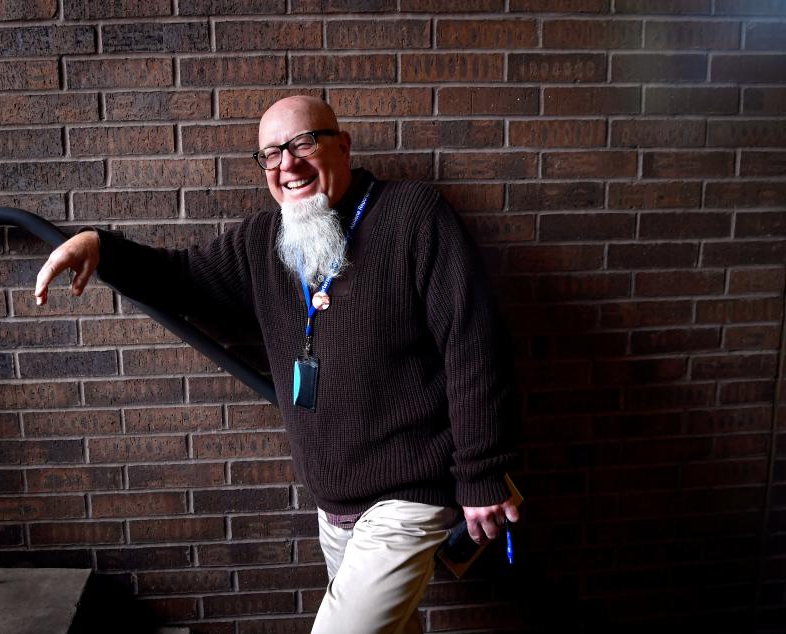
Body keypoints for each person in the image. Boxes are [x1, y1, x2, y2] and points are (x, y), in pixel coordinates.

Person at [35, 95, 520, 634]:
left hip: (409, 497)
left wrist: (480, 473)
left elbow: (473, 343)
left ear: (343, 145)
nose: (286, 164)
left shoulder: (413, 215)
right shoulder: (264, 241)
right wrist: (99, 246)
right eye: (270, 154)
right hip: (333, 507)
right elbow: (180, 277)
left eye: (303, 144)